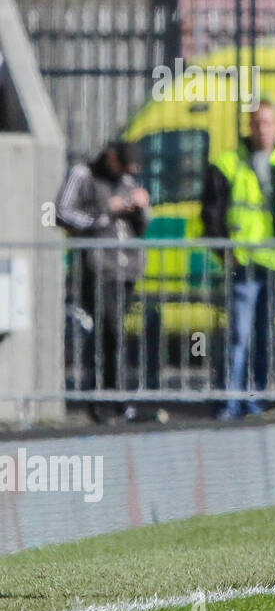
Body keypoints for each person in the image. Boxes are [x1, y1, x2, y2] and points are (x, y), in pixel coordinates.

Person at [201, 100, 275, 420]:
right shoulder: (228, 164)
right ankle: (231, 402)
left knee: (264, 336)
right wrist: (226, 254)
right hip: (243, 265)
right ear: (249, 127)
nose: (263, 129)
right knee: (238, 336)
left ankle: (255, 400)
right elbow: (211, 214)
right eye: (257, 123)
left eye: (268, 123)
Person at [54, 139, 152, 422]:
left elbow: (140, 226)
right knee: (107, 333)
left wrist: (140, 207)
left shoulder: (126, 178)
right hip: (97, 268)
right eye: (121, 165)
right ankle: (102, 399)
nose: (124, 173)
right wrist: (105, 212)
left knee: (116, 336)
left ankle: (116, 398)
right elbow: (61, 213)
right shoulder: (82, 174)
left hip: (126, 270)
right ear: (110, 157)